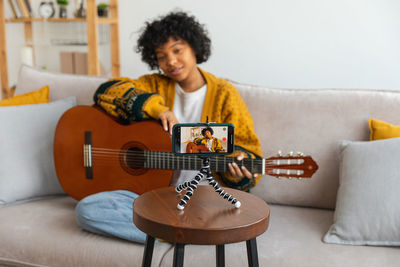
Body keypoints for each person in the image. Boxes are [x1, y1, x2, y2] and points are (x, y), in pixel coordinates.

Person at [75, 11, 262, 243]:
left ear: (194, 47)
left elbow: (249, 155)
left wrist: (237, 169)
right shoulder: (153, 85)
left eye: (177, 50)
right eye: (161, 56)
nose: (170, 61)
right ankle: (180, 234)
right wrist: (155, 108)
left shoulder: (225, 94)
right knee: (87, 209)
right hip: (151, 195)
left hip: (202, 196)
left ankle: (171, 231)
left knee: (217, 212)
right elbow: (106, 92)